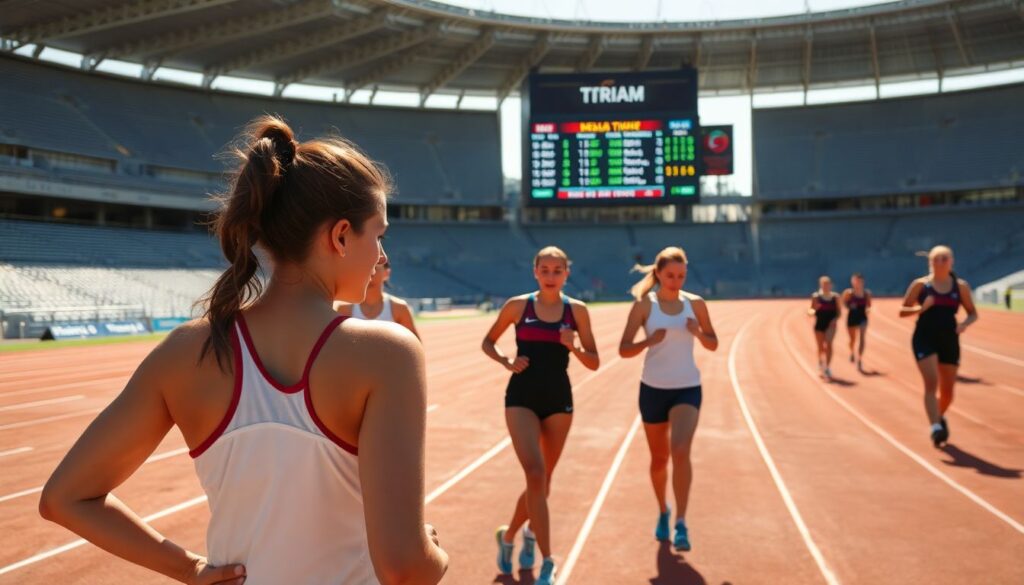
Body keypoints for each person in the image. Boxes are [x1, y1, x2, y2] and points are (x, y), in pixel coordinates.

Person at [39, 116, 447, 584]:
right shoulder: (386, 353)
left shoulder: (186, 351)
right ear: (339, 236)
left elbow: (65, 498)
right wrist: (433, 550)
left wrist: (192, 569)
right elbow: (404, 567)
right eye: (379, 234)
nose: (381, 256)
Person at [481, 246, 599, 585]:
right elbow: (488, 342)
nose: (550, 276)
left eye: (557, 270)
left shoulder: (577, 311)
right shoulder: (518, 306)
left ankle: (511, 536)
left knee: (542, 483)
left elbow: (594, 361)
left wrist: (573, 346)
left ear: (567, 274)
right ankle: (548, 561)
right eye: (544, 270)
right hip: (521, 398)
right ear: (535, 272)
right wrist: (506, 361)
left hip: (558, 400)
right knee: (535, 472)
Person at [618, 247, 718, 553]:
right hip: (653, 389)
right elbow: (624, 349)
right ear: (659, 274)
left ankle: (681, 523)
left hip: (687, 387)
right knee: (659, 459)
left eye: (681, 276)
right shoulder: (644, 306)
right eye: (671, 275)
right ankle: (663, 509)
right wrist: (649, 341)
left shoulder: (695, 305)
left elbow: (713, 344)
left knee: (680, 450)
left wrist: (698, 333)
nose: (676, 281)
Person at [900, 245, 978, 447]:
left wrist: (964, 324)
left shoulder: (960, 287)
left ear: (952, 262)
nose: (940, 262)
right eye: (936, 259)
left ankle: (939, 416)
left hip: (949, 339)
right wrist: (921, 308)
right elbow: (902, 311)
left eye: (944, 259)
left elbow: (972, 313)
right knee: (931, 382)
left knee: (948, 391)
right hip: (924, 337)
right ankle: (935, 428)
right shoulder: (920, 285)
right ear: (930, 262)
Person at [335, 260, 420, 340]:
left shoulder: (399, 308)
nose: (370, 274)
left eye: (375, 268)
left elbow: (415, 344)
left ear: (387, 273)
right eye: (365, 268)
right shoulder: (345, 309)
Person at [809, 276, 841, 381]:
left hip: (831, 325)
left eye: (827, 284)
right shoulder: (816, 297)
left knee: (829, 344)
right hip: (819, 324)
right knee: (820, 347)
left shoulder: (835, 297)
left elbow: (839, 313)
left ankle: (827, 367)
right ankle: (820, 361)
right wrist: (814, 310)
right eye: (824, 284)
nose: (826, 286)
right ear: (820, 285)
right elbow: (810, 311)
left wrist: (834, 320)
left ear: (831, 285)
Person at [842, 273, 872, 372]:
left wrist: (867, 309)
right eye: (856, 281)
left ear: (863, 282)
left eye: (860, 281)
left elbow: (869, 305)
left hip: (862, 317)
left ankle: (859, 359)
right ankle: (851, 352)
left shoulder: (866, 293)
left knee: (862, 338)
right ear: (852, 282)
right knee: (852, 339)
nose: (858, 283)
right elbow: (844, 303)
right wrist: (850, 306)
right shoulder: (848, 293)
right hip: (852, 317)